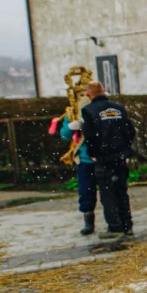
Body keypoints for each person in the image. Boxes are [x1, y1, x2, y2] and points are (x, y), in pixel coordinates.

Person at [81, 81, 136, 240]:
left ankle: (115, 227)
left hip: (104, 158)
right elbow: (130, 130)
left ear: (89, 94)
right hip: (120, 156)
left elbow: (90, 137)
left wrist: (93, 153)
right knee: (122, 191)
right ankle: (128, 226)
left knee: (108, 193)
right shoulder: (118, 107)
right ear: (104, 91)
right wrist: (124, 147)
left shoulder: (89, 110)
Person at [59, 100, 97, 234]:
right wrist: (70, 128)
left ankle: (115, 220)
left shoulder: (99, 108)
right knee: (86, 191)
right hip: (85, 159)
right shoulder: (72, 112)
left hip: (103, 157)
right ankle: (88, 221)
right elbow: (64, 135)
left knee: (110, 192)